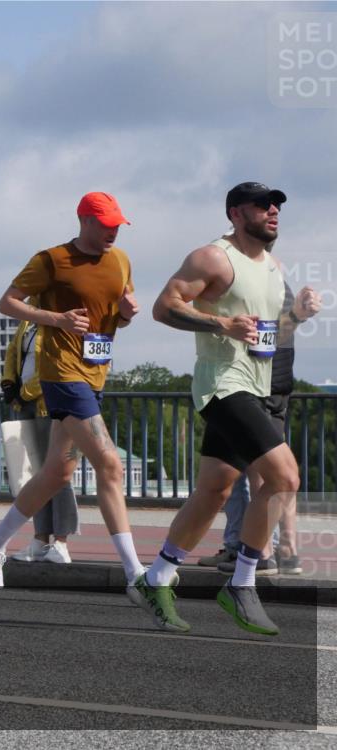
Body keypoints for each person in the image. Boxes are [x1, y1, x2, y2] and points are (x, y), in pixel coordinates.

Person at [137, 182, 321, 635]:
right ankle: (242, 583)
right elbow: (164, 308)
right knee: (285, 478)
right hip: (222, 386)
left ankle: (156, 576)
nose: (273, 210)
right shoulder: (212, 258)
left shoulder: (274, 267)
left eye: (277, 204)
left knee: (215, 489)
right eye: (263, 205)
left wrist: (295, 317)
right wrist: (221, 322)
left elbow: (265, 334)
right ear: (237, 213)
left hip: (257, 388)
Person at [0, 192, 147, 592]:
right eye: (105, 223)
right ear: (84, 220)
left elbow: (116, 316)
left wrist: (125, 313)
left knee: (56, 472)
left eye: (117, 223)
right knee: (111, 465)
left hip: (95, 374)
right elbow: (7, 303)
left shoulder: (120, 261)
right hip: (61, 375)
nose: (113, 231)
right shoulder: (51, 260)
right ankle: (137, 574)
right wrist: (57, 319)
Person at [199, 273, 303, 576]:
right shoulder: (278, 280)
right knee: (280, 470)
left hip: (255, 385)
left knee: (264, 470)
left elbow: (266, 336)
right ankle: (285, 549)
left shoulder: (255, 283)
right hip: (278, 383)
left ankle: (263, 552)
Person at [1, 300, 79, 564]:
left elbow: (56, 364)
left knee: (58, 473)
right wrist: (9, 382)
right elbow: (14, 350)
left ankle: (62, 541)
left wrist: (24, 392)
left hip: (54, 401)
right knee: (36, 473)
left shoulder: (65, 318)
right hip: (29, 403)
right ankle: (40, 538)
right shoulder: (30, 317)